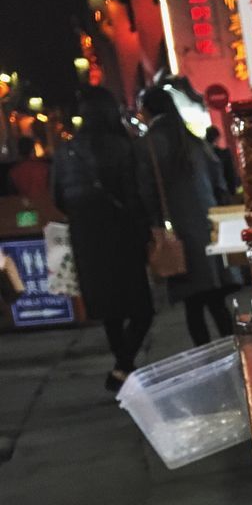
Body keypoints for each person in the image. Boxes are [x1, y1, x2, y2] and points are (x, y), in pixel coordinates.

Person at [52, 86, 153, 393]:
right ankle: (122, 368)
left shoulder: (65, 152)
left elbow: (59, 198)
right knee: (142, 310)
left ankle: (123, 367)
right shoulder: (121, 147)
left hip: (87, 241)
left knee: (110, 312)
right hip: (122, 239)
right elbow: (135, 196)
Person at [138, 86, 232, 346]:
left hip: (178, 232)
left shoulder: (148, 145)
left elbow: (146, 192)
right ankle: (233, 351)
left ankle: (206, 354)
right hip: (208, 229)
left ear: (147, 111)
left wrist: (153, 226)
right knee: (216, 301)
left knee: (194, 305)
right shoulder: (192, 139)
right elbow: (219, 180)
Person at [10, 136, 51, 201]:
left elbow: (12, 194)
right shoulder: (44, 167)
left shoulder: (14, 171)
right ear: (33, 149)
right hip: (45, 204)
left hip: (26, 205)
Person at [205, 124, 237, 195]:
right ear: (217, 138)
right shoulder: (223, 154)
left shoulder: (201, 153)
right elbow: (230, 175)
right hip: (221, 191)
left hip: (207, 192)